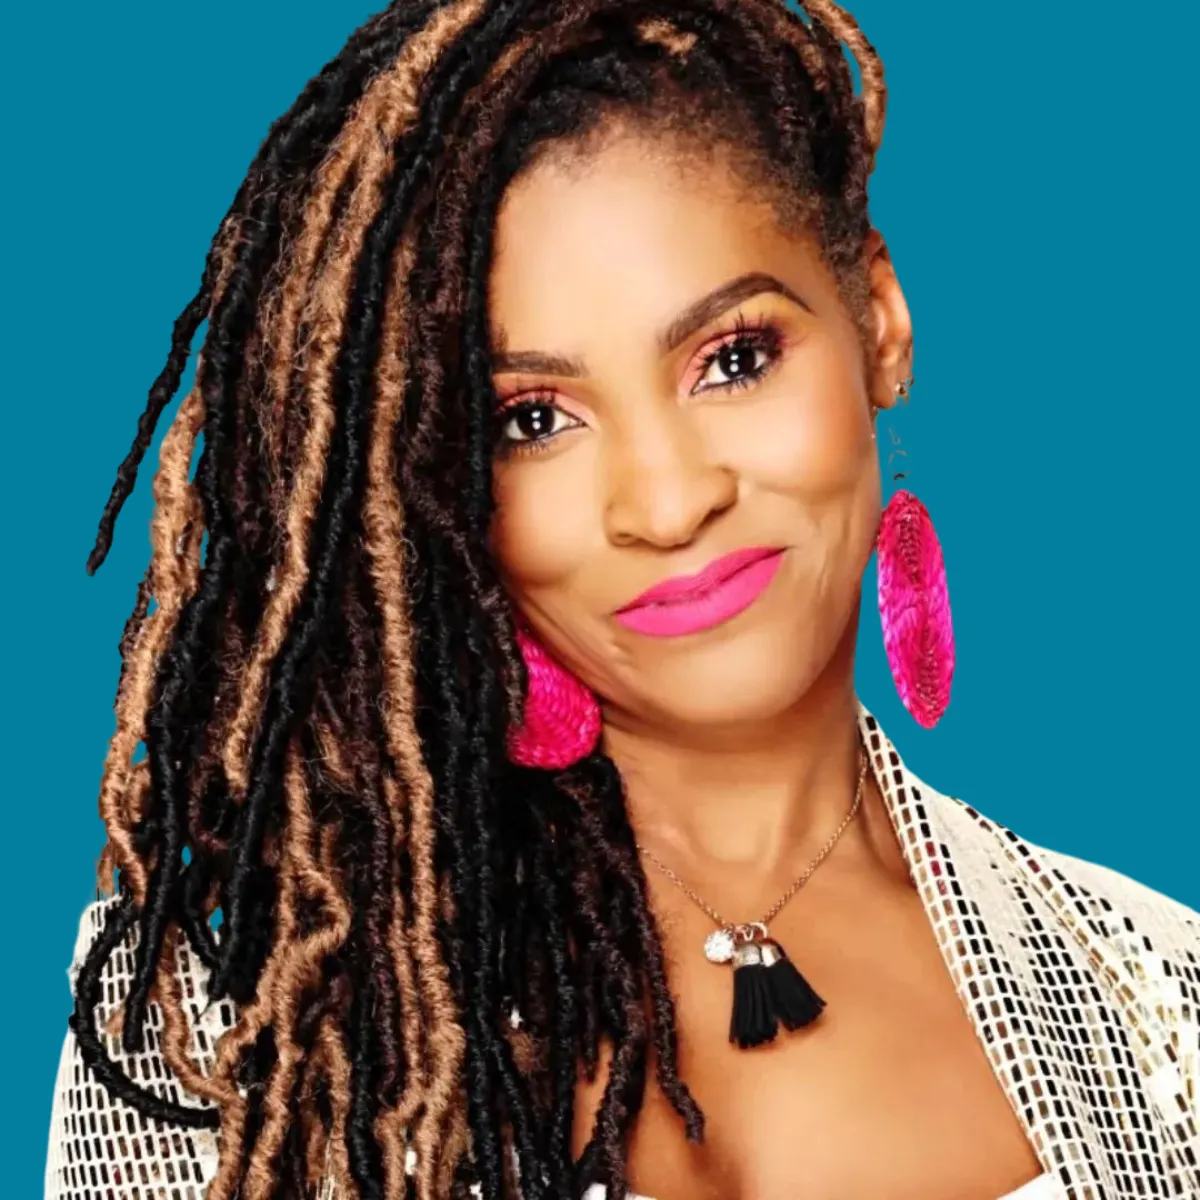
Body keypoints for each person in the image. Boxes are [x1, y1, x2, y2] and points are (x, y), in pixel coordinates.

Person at [44, 1, 1200, 1198]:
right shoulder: (225, 1017)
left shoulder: (1158, 1011)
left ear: (879, 318)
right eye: (533, 420)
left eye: (733, 360)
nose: (667, 501)